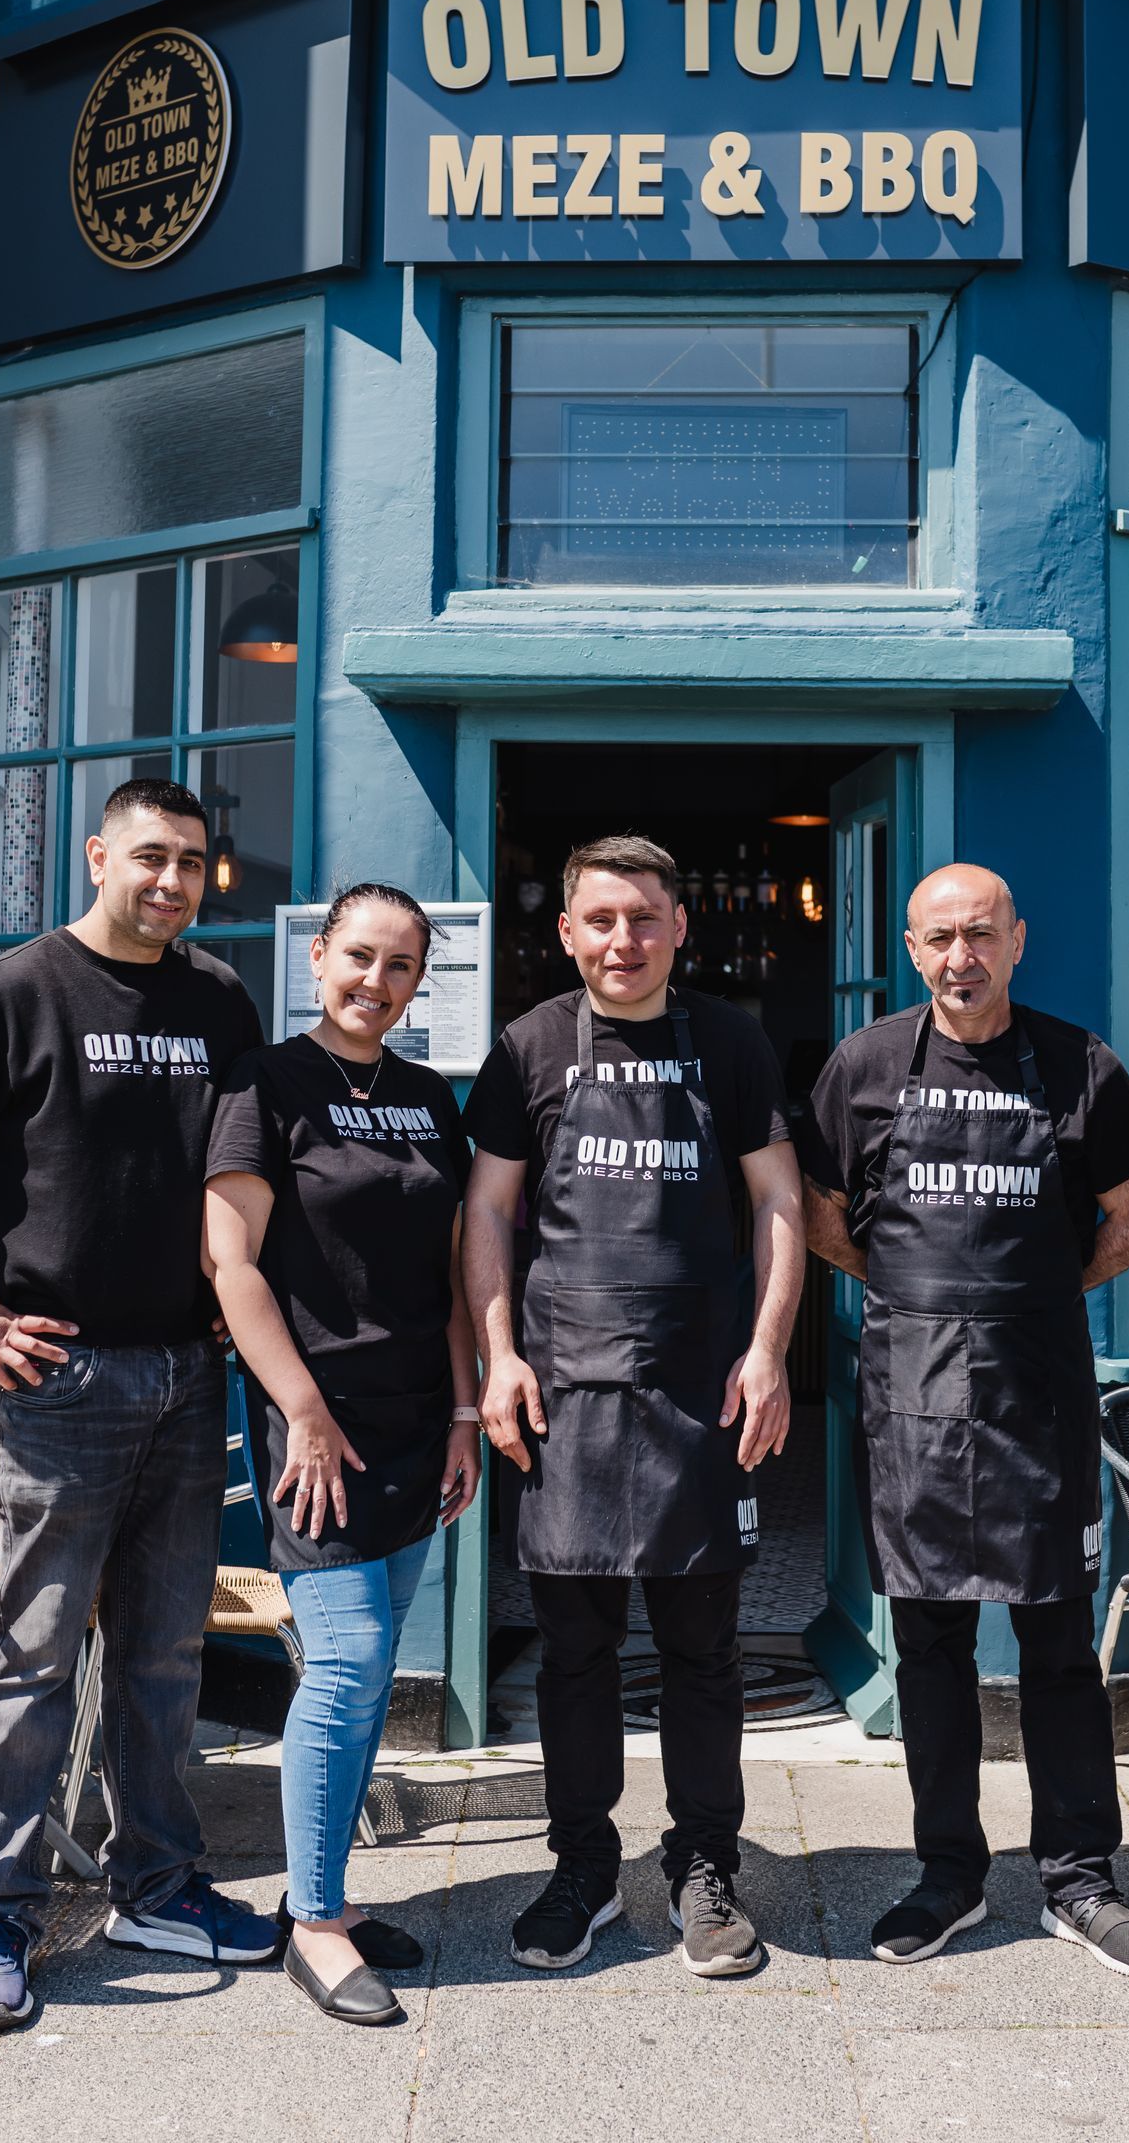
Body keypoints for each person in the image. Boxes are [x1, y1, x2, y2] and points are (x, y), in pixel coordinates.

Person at [0, 779, 283, 2035]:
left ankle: (158, 1886)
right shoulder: (20, 991)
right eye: (148, 857)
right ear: (96, 855)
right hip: (64, 1381)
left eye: (192, 863)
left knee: (163, 1655)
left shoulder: (219, 998)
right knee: (31, 1658)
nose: (171, 881)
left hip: (194, 1375)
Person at [800, 862, 1129, 1974]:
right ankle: (948, 1874)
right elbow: (818, 1215)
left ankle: (1079, 1876)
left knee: (1060, 1642)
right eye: (938, 939)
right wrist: (919, 1295)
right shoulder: (862, 1067)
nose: (960, 958)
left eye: (980, 935)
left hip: (1039, 1387)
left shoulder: (1082, 1065)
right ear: (913, 952)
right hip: (911, 1392)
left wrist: (1033, 1293)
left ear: (1017, 939)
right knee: (929, 1645)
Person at [462, 834, 805, 1979]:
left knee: (704, 1652)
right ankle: (582, 1866)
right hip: (566, 1393)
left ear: (678, 926)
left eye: (645, 919)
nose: (624, 940)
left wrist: (768, 1352)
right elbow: (489, 1212)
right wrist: (498, 1357)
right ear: (566, 933)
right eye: (601, 920)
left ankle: (706, 1865)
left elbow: (780, 1205)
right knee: (576, 1652)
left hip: (703, 1389)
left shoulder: (734, 1042)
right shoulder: (529, 1048)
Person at [203, 883, 483, 2027]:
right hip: (316, 1428)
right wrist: (303, 1411)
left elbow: (459, 1266)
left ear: (422, 981)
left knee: (365, 1677)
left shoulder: (426, 1099)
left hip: (421, 1421)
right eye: (358, 958)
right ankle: (314, 1925)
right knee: (350, 1665)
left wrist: (467, 1414)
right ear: (318, 960)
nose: (377, 981)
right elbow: (234, 1265)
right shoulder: (264, 1087)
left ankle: (328, 1896)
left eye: (401, 966)